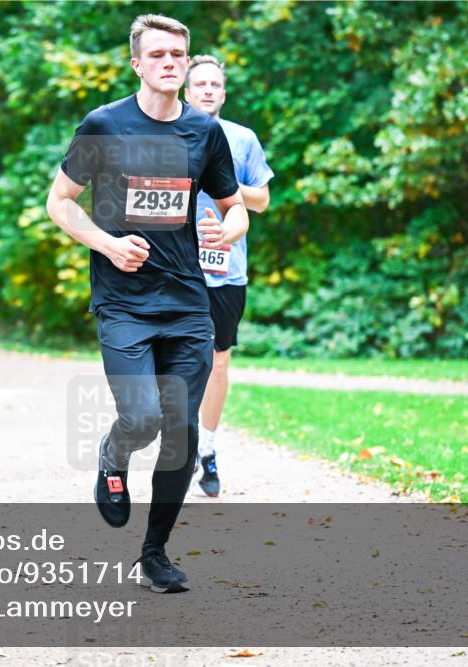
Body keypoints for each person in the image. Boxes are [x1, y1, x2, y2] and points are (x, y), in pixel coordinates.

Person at [45, 14, 248, 593]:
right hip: (124, 304)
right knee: (142, 417)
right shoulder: (104, 125)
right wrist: (107, 244)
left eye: (178, 55)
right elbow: (60, 203)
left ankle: (154, 553)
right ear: (137, 63)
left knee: (180, 429)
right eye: (157, 54)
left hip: (187, 303)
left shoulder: (203, 133)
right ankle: (114, 454)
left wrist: (229, 232)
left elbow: (234, 206)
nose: (169, 63)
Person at [184, 54, 274, 497]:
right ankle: (178, 441)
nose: (207, 90)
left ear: (223, 92)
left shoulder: (242, 139)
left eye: (214, 84)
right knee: (174, 360)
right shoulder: (168, 133)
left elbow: (262, 201)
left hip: (226, 269)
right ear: (185, 89)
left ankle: (207, 447)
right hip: (176, 267)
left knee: (219, 361)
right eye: (199, 83)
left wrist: (222, 184)